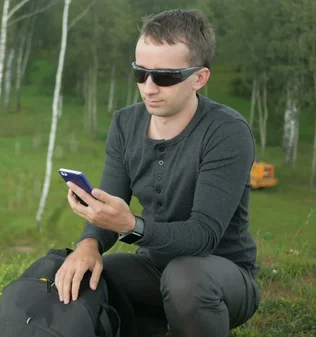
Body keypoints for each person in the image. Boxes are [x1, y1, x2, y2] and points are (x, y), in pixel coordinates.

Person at [55, 9, 261, 337]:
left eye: (164, 77)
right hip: (154, 268)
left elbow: (204, 235)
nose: (149, 87)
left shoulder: (226, 132)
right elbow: (111, 207)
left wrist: (130, 226)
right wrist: (89, 243)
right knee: (71, 270)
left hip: (221, 278)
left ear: (199, 78)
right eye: (140, 73)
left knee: (185, 279)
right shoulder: (125, 124)